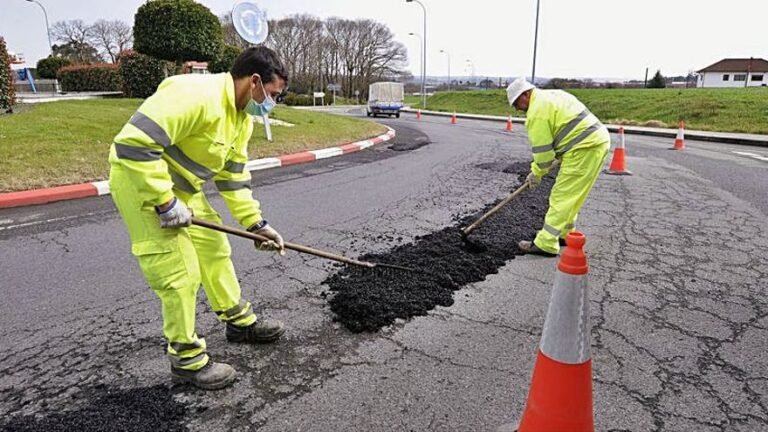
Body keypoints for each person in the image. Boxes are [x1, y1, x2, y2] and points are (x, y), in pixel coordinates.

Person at [109, 46, 289, 390]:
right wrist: (163, 202)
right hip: (140, 184)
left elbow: (233, 178)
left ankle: (239, 322)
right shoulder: (194, 94)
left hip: (183, 191)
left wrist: (257, 226)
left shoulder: (240, 120)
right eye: (273, 94)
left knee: (214, 248)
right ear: (254, 82)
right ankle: (187, 359)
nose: (272, 103)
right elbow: (132, 144)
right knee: (180, 272)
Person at [506, 77, 609, 257]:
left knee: (561, 195)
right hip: (596, 142)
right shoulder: (553, 95)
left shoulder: (537, 111)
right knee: (573, 194)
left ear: (526, 94)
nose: (517, 109)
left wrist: (536, 173)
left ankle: (546, 243)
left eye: (516, 103)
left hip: (583, 148)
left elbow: (543, 155)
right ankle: (564, 233)